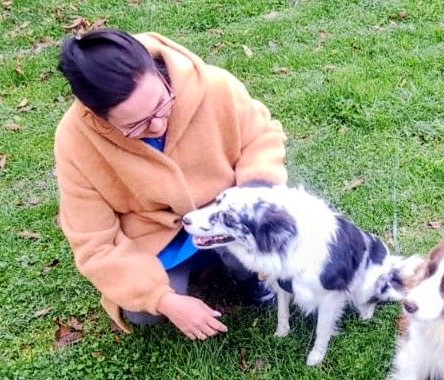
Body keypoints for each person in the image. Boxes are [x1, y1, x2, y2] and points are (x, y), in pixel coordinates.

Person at [54, 28, 288, 340]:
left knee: (256, 238)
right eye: (137, 125)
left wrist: (252, 197)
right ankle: (202, 268)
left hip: (223, 205)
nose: (158, 124)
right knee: (142, 314)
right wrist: (162, 299)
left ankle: (248, 276)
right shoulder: (74, 141)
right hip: (156, 237)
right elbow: (94, 242)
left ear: (158, 72)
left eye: (163, 103)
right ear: (98, 118)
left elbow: (262, 137)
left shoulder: (214, 84)